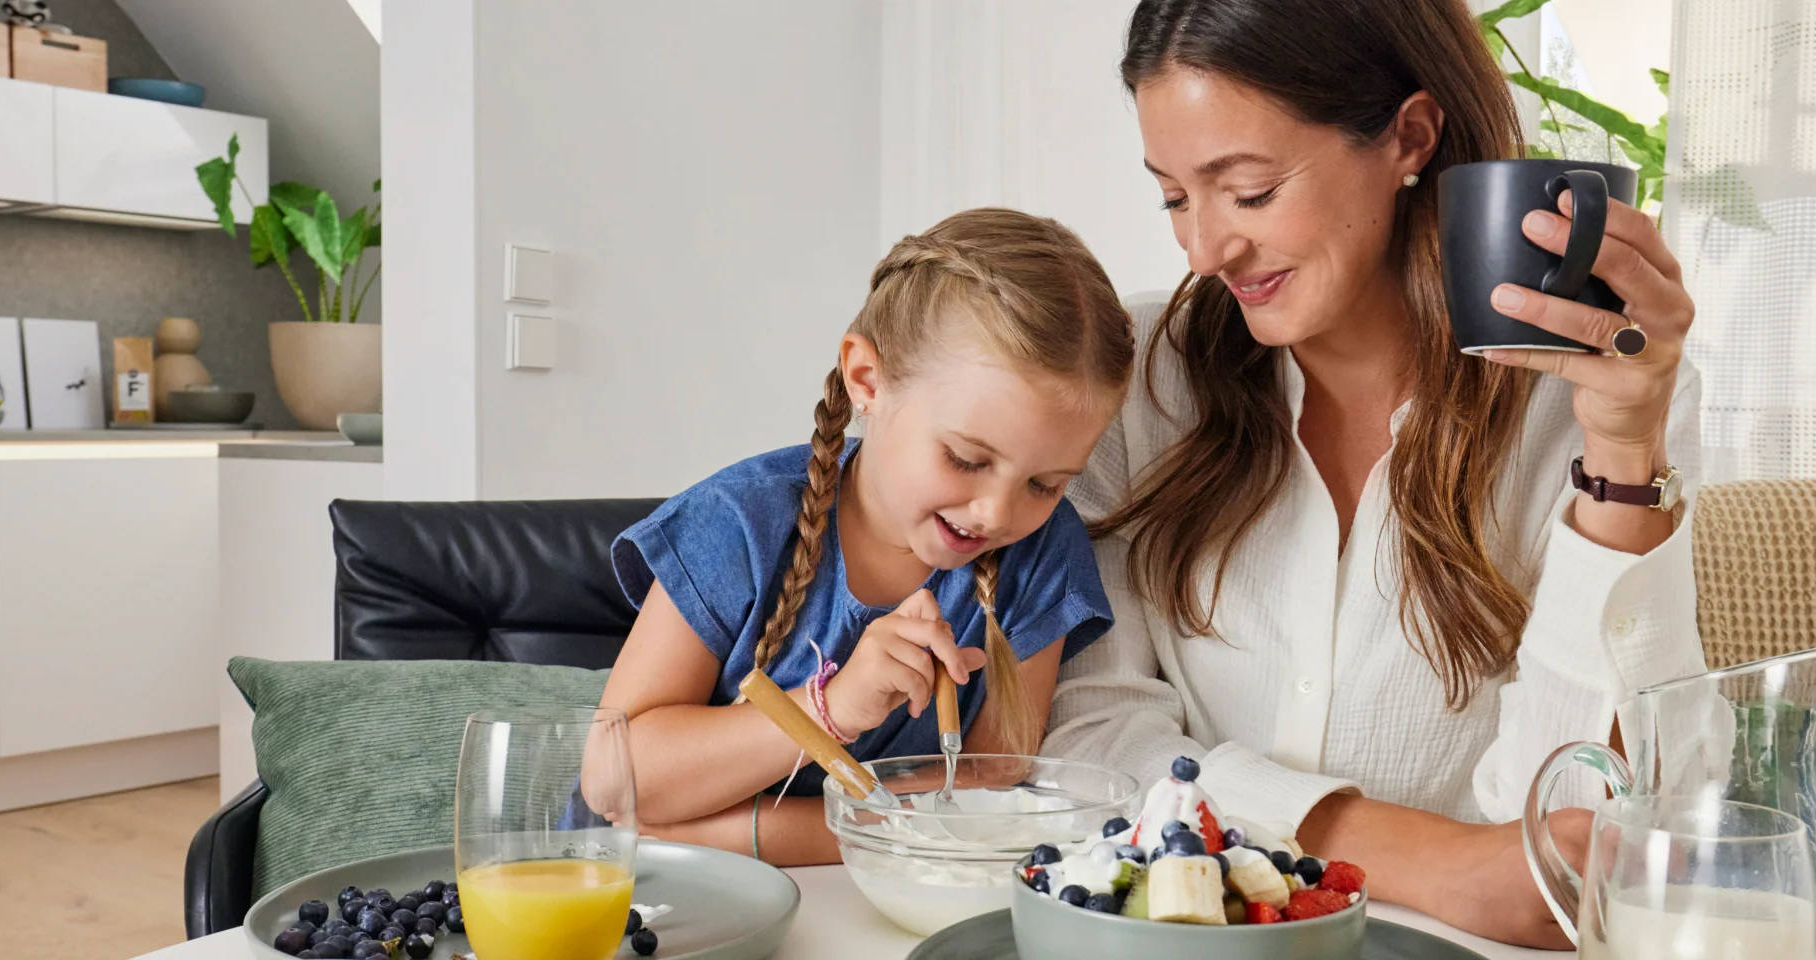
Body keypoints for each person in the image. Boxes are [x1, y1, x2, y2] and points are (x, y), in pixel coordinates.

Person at [1042, 0, 1706, 946]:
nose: (1204, 250)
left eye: (1250, 192)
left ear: (1410, 137)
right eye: (1175, 198)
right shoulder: (1143, 374)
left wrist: (1625, 455)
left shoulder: (1585, 401)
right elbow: (1091, 744)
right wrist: (1429, 861)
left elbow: (1579, 836)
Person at [601, 208, 1134, 865]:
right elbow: (613, 781)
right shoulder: (737, 523)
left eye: (1044, 484)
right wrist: (834, 708)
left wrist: (733, 834)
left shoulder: (1043, 551)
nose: (996, 513)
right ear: (866, 380)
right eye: (966, 459)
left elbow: (990, 788)